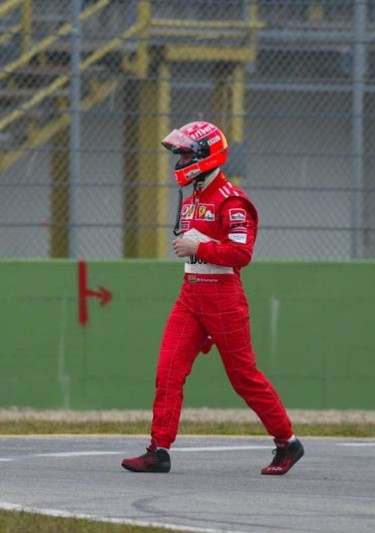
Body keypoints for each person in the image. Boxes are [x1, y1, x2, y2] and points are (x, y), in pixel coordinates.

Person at [121, 121, 304, 476]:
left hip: (223, 297)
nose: (180, 160)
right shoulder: (193, 195)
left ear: (205, 155)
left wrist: (197, 246)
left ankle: (288, 442)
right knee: (168, 370)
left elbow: (241, 254)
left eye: (187, 153)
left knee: (243, 377)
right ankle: (159, 450)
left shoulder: (232, 200)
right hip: (190, 294)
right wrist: (196, 251)